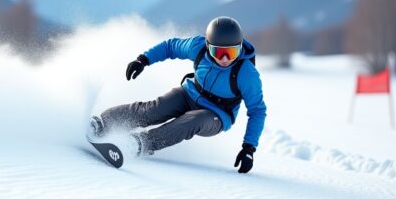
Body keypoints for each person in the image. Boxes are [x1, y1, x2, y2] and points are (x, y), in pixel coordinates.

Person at [89, 16, 266, 174]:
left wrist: (249, 149)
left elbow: (257, 111)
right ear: (208, 46)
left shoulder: (247, 74)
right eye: (219, 52)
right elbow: (170, 47)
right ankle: (103, 123)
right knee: (152, 110)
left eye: (232, 52)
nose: (226, 58)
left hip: (217, 115)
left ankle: (139, 143)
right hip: (189, 94)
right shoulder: (198, 48)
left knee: (191, 120)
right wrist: (143, 60)